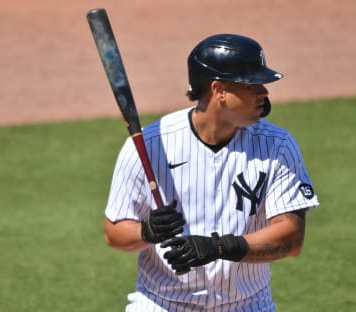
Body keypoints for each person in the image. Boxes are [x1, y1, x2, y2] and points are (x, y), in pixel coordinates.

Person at [104, 34, 319, 311]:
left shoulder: (277, 145)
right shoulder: (150, 144)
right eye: (252, 84)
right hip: (161, 303)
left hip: (247, 304)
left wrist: (217, 247)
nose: (264, 92)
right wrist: (147, 231)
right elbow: (114, 234)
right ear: (219, 90)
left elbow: (291, 239)